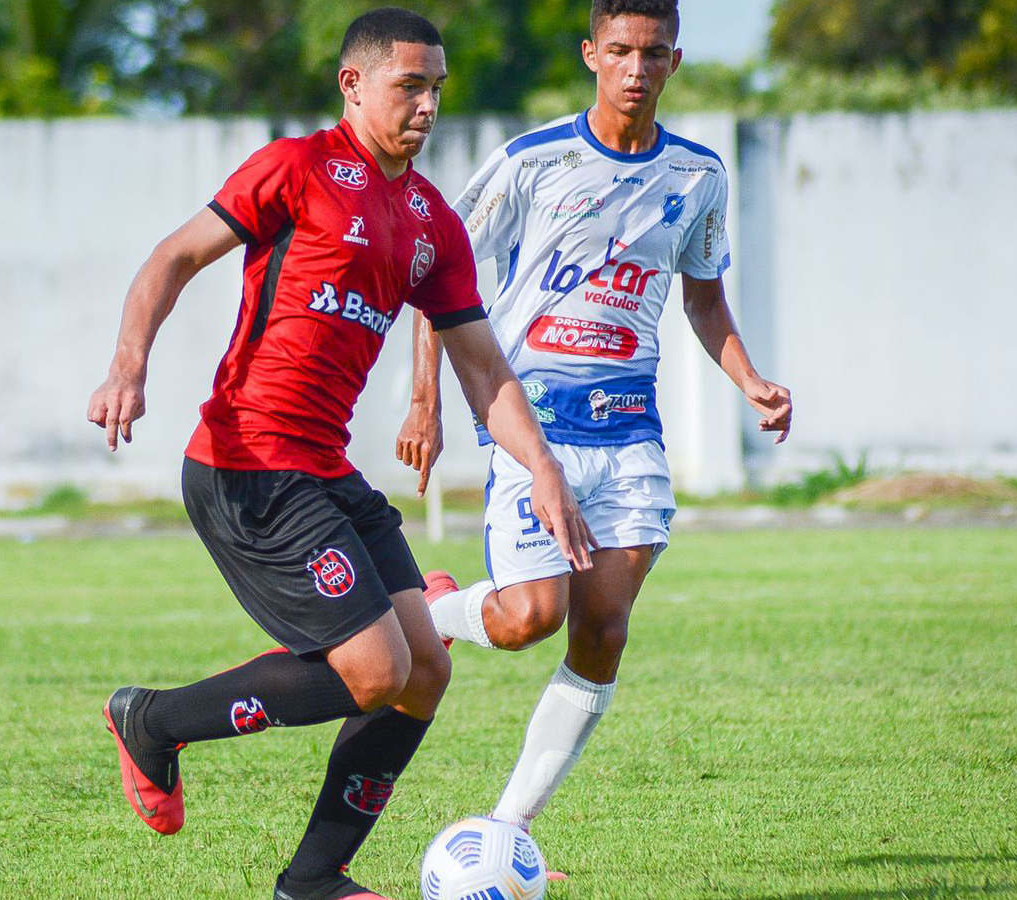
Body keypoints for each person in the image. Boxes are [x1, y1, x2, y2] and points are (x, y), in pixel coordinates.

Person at [85, 9, 594, 900]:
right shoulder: (297, 169)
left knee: (425, 671)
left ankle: (313, 880)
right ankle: (152, 721)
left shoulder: (431, 219)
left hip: (322, 468)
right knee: (376, 670)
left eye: (438, 86)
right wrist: (129, 365)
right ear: (352, 84)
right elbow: (172, 259)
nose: (428, 102)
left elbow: (482, 363)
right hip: (247, 465)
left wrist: (542, 467)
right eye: (410, 84)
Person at [398, 0, 793, 869]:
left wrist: (751, 379)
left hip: (630, 429)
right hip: (529, 415)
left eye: (653, 54)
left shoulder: (699, 176)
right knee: (528, 617)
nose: (635, 68)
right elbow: (439, 272)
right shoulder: (534, 163)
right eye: (619, 50)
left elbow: (702, 296)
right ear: (591, 53)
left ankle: (508, 829)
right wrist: (423, 398)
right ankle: (439, 611)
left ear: (676, 60)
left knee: (602, 630)